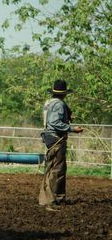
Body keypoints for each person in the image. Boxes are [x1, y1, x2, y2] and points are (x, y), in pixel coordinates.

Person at [39, 80, 83, 211]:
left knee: (56, 167)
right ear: (64, 93)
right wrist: (72, 128)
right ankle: (51, 201)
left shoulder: (49, 103)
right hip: (56, 138)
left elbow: (51, 120)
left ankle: (57, 197)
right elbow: (55, 123)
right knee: (56, 170)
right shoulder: (59, 104)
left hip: (50, 138)